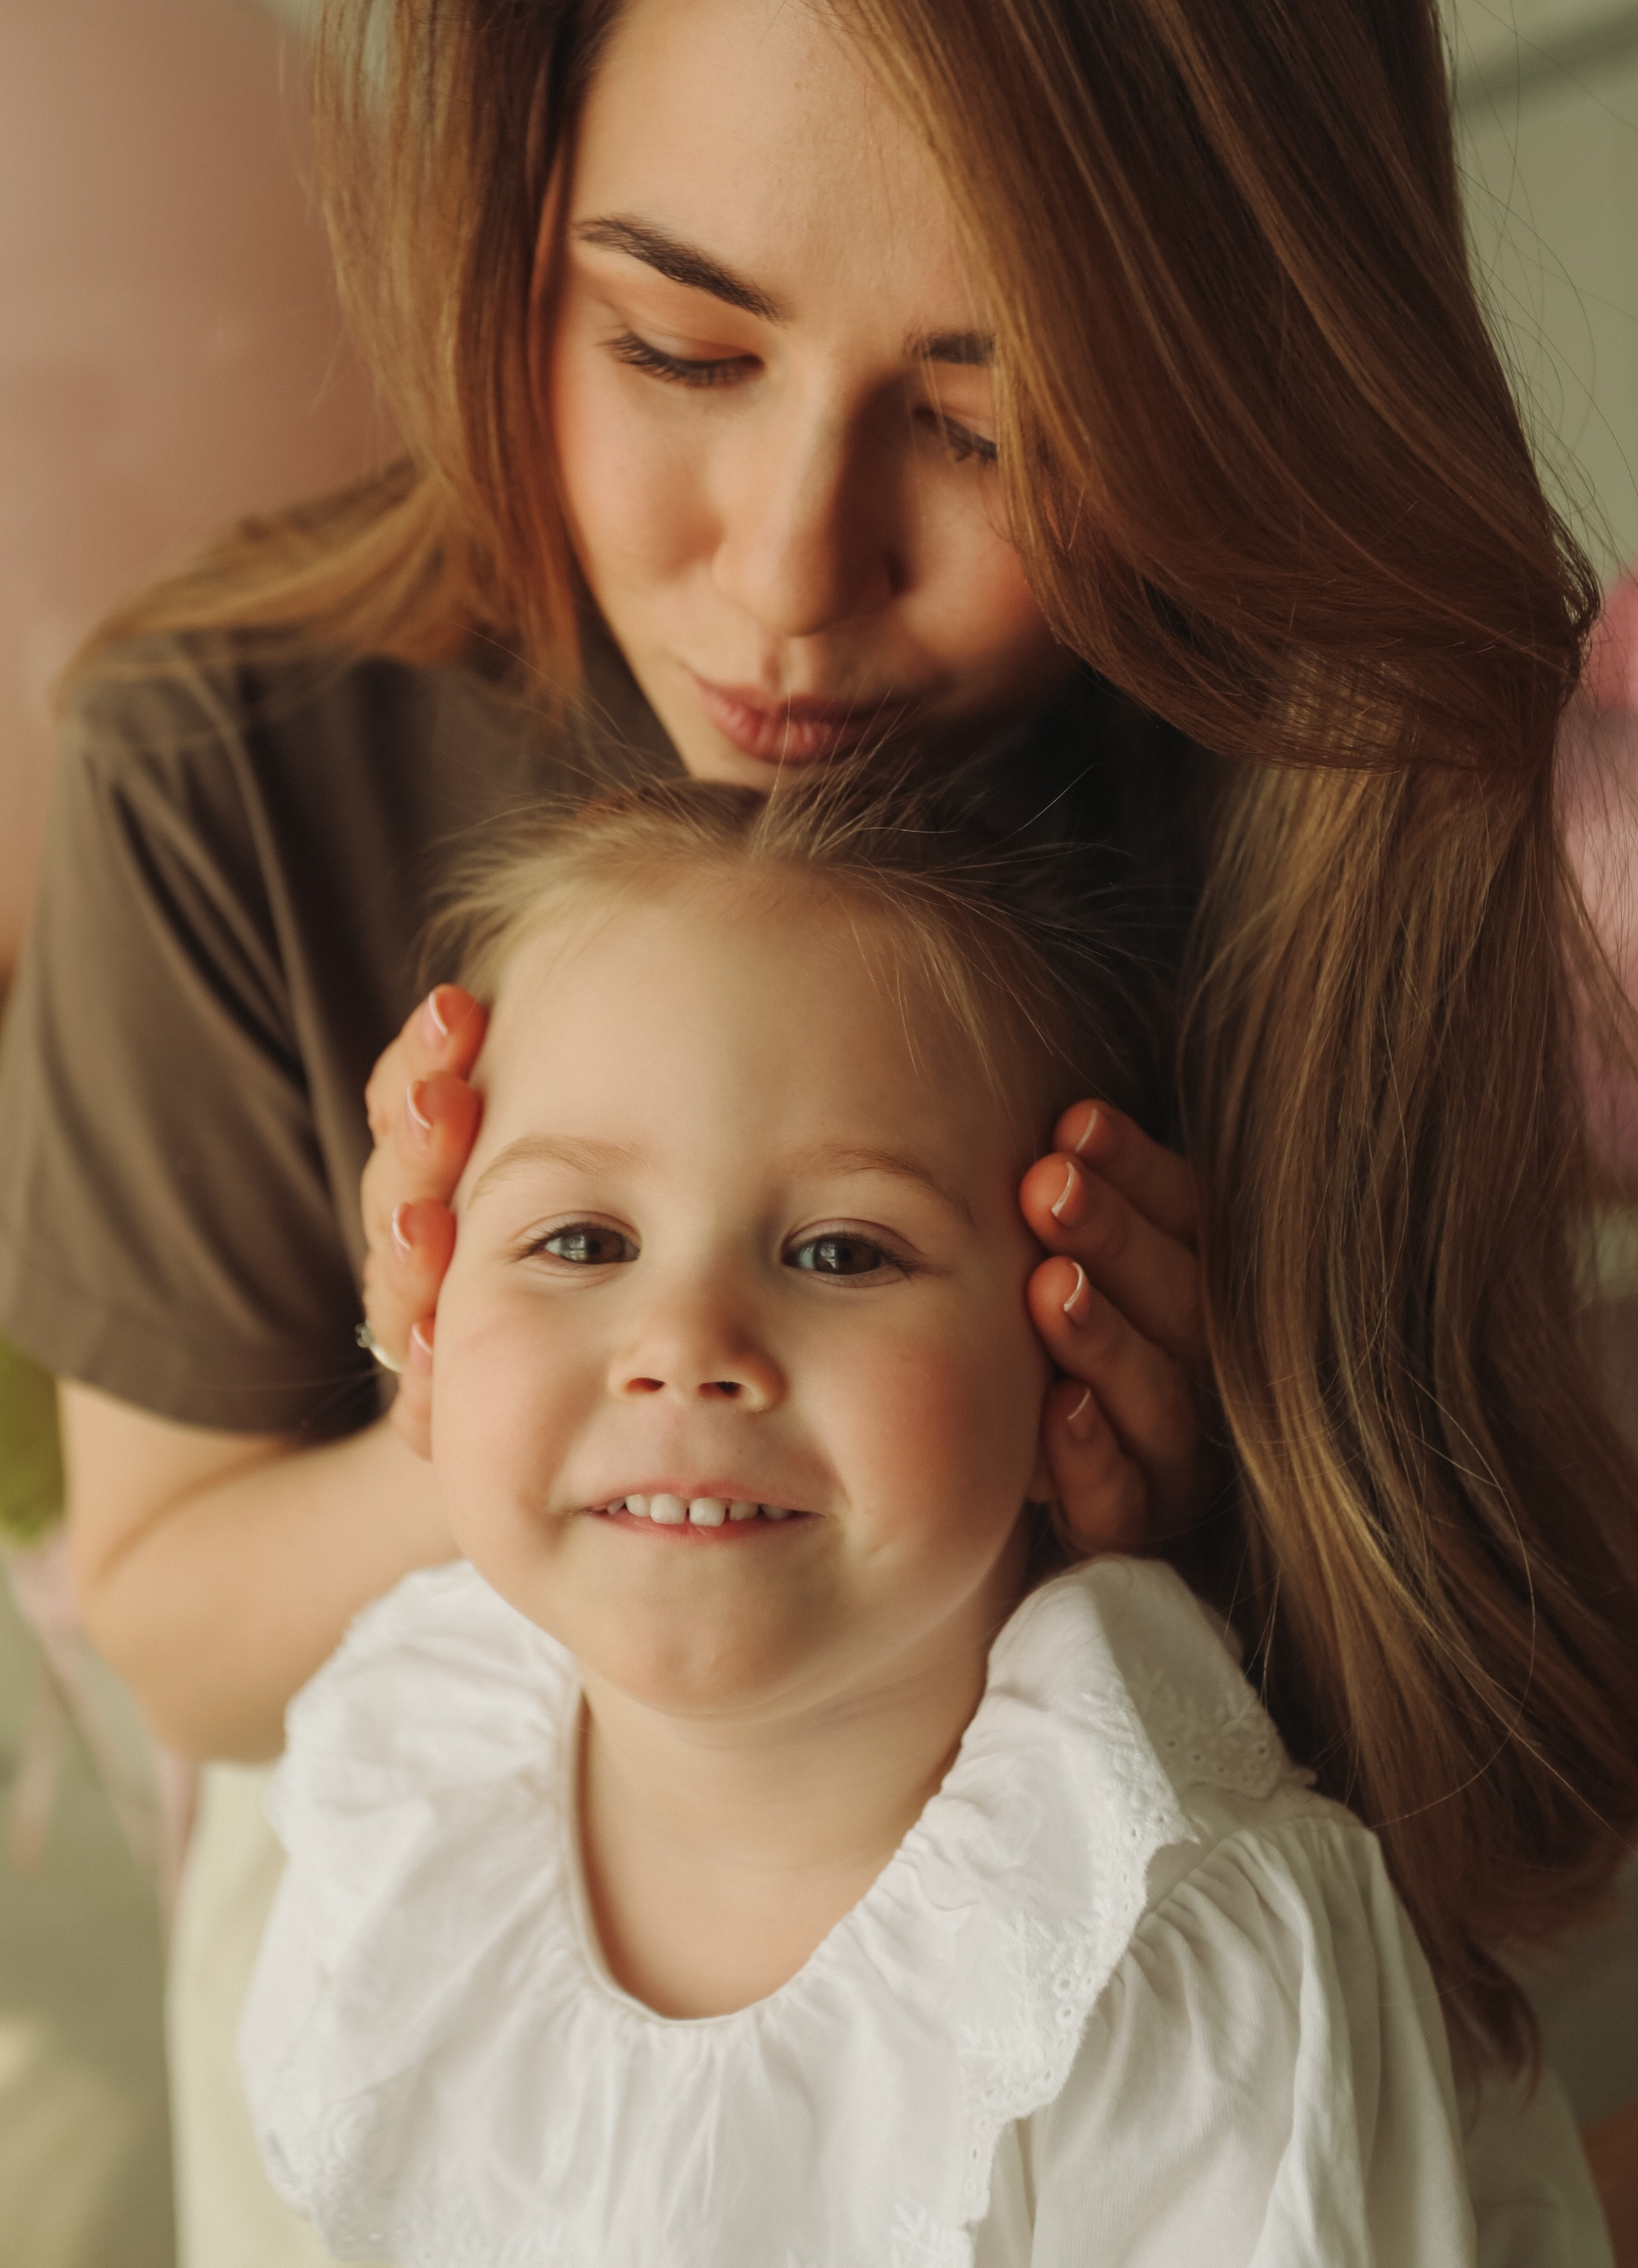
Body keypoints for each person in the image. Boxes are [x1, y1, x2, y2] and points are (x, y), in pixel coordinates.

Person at [0, 0, 1635, 2256]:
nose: (785, 570)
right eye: (675, 345)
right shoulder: (230, 758)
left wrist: (1176, 1515)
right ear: (519, 216)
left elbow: (1499, 1760)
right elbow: (175, 1618)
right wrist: (516, 1385)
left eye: (990, 425)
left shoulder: (1333, 796)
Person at [239, 777, 1610, 2266]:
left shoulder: (1155, 1939)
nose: (684, 1339)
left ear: (1067, 1361)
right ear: (430, 1314)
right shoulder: (406, 1783)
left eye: (840, 1250)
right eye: (579, 1239)